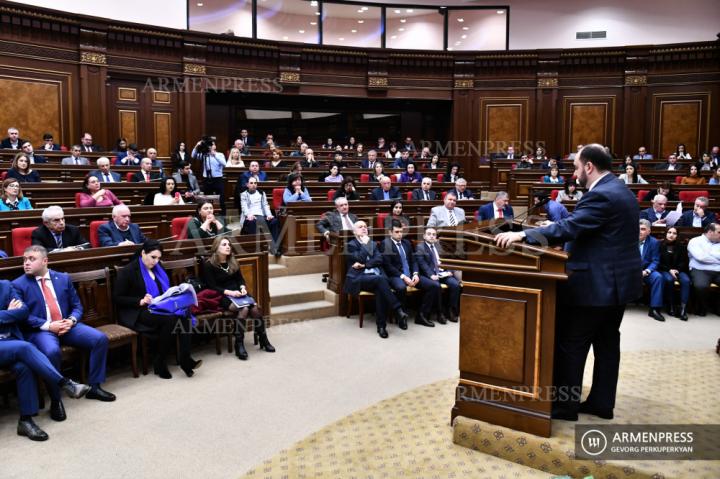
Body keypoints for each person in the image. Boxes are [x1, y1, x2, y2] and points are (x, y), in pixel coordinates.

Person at [495, 144, 641, 421]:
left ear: (589, 167)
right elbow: (590, 230)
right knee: (607, 344)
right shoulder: (620, 190)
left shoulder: (600, 195)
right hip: (618, 286)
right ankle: (601, 403)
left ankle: (564, 406)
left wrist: (524, 236)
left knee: (571, 344)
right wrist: (546, 232)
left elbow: (570, 227)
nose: (574, 174)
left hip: (594, 287)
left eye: (576, 167)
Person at [13, 245, 116, 412]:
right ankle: (56, 400)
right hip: (42, 330)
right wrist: (49, 325)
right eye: (24, 260)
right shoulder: (17, 284)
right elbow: (22, 315)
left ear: (45, 261)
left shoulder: (62, 278)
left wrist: (72, 320)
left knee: (99, 339)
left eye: (31, 259)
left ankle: (95, 387)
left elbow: (77, 306)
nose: (26, 263)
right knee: (52, 352)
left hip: (67, 325)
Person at [0, 282, 91, 441]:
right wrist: (7, 313)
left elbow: (23, 311)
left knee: (24, 367)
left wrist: (7, 315)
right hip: (14, 346)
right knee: (25, 348)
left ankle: (26, 421)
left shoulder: (5, 286)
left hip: (10, 342)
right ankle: (66, 384)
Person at [113, 240, 201, 378]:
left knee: (185, 313)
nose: (156, 261)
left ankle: (185, 359)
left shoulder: (158, 268)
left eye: (159, 258)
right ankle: (160, 362)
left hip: (159, 306)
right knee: (171, 320)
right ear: (143, 253)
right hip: (139, 311)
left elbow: (164, 290)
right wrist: (140, 301)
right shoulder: (128, 271)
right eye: (153, 257)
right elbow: (117, 298)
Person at [202, 236, 275, 359]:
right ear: (216, 247)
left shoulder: (232, 261)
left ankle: (264, 340)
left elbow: (239, 279)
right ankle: (239, 344)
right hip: (222, 295)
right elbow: (211, 286)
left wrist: (242, 287)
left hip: (239, 293)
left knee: (255, 308)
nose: (228, 247)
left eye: (229, 245)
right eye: (224, 245)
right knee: (244, 308)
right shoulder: (209, 265)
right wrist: (229, 292)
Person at [344, 221, 409, 338]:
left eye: (365, 227)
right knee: (380, 280)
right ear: (354, 232)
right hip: (360, 278)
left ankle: (381, 326)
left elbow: (379, 259)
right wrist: (365, 245)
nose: (364, 229)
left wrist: (365, 265)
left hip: (376, 277)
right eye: (360, 227)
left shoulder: (373, 243)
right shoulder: (350, 245)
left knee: (380, 288)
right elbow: (360, 257)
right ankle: (398, 309)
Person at [380, 220, 438, 328]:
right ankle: (401, 317)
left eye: (401, 232)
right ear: (390, 232)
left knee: (433, 286)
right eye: (397, 232)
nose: (400, 234)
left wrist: (415, 274)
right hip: (396, 275)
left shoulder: (407, 243)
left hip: (411, 274)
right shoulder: (385, 244)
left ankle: (421, 315)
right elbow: (388, 266)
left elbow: (414, 261)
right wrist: (403, 277)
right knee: (401, 288)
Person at [415, 226, 461, 323]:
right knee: (437, 286)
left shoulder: (439, 245)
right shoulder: (420, 247)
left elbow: (448, 260)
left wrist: (450, 271)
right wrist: (431, 275)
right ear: (424, 236)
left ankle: (451, 311)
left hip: (442, 273)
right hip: (430, 275)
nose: (431, 236)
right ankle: (440, 313)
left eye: (434, 234)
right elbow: (422, 264)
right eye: (429, 234)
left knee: (455, 285)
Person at [237, 177, 280, 253]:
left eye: (255, 183)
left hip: (261, 217)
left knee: (274, 221)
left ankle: (274, 247)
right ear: (247, 184)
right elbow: (244, 207)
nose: (253, 185)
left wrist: (269, 215)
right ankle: (255, 249)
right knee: (252, 222)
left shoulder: (261, 193)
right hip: (250, 217)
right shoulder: (244, 194)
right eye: (251, 183)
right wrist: (249, 215)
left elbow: (265, 205)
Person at [687, 223, 720, 316]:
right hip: (700, 269)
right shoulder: (695, 241)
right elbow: (701, 258)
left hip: (718, 270)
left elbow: (705, 257)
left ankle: (717, 307)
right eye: (719, 232)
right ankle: (702, 307)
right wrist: (717, 259)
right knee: (701, 286)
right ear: (710, 232)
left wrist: (709, 255)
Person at [658, 227, 690, 321]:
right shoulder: (659, 245)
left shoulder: (681, 246)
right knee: (669, 279)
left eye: (674, 233)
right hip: (664, 270)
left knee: (686, 281)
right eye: (669, 232)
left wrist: (677, 270)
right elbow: (658, 262)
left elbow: (684, 261)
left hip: (679, 270)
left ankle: (683, 309)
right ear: (665, 233)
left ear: (677, 235)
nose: (671, 235)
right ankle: (670, 305)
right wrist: (669, 270)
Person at [638, 219, 665, 322]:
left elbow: (655, 261)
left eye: (643, 229)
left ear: (649, 231)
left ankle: (654, 309)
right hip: (632, 270)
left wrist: (647, 271)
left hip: (646, 271)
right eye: (638, 229)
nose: (640, 231)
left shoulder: (654, 242)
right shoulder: (629, 240)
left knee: (658, 277)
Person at [192, 139, 227, 214]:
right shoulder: (204, 155)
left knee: (221, 199)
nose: (211, 146)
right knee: (207, 199)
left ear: (215, 146)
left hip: (218, 179)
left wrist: (214, 155)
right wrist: (197, 145)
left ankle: (223, 217)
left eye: (213, 144)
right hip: (206, 179)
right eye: (210, 145)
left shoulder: (220, 154)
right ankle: (207, 215)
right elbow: (193, 155)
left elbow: (224, 164)